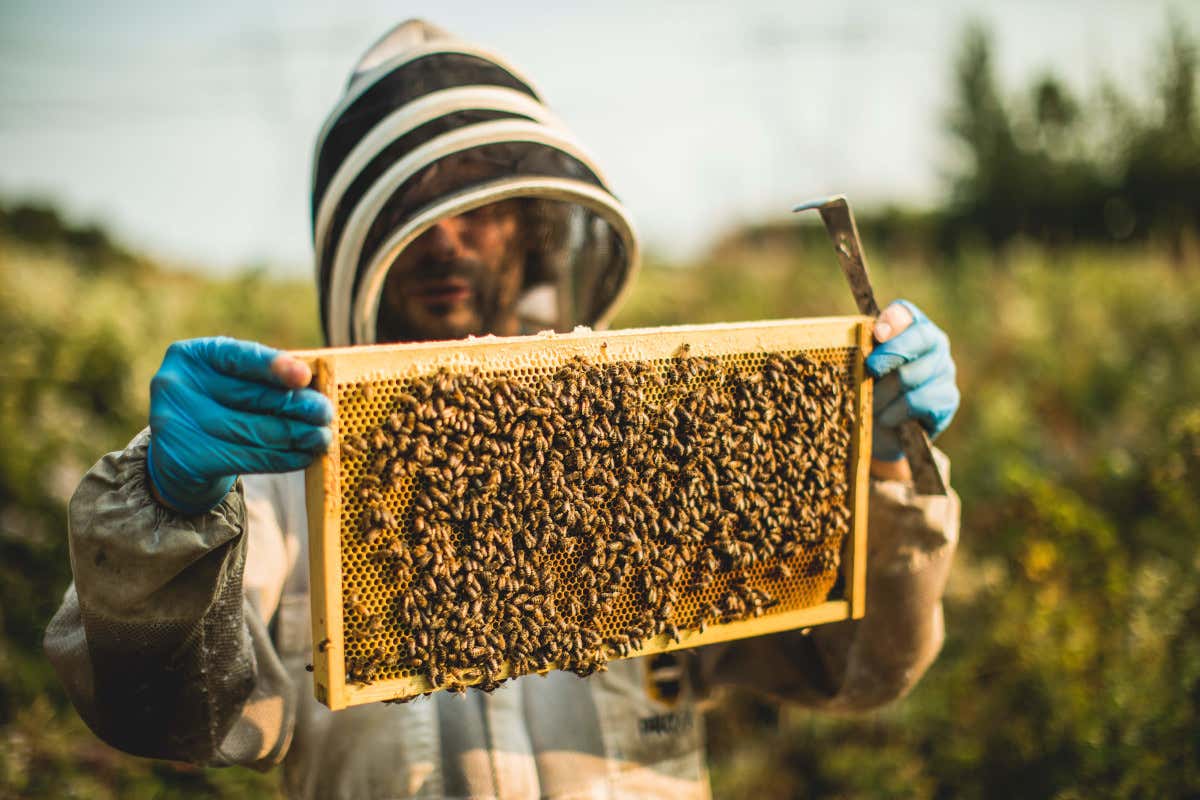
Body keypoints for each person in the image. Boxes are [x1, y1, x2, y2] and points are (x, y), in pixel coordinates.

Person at [44, 19, 961, 800]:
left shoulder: (648, 444)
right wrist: (169, 515)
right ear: (359, 235)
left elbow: (855, 666)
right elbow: (154, 708)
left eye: (471, 201)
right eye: (411, 202)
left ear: (527, 225)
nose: (443, 236)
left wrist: (884, 474)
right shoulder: (284, 481)